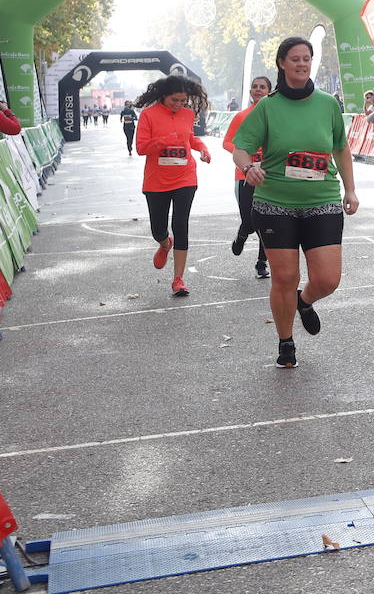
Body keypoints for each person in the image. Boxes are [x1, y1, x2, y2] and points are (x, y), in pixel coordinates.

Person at [232, 36, 358, 369]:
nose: (302, 64)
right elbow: (240, 147)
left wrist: (351, 189)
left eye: (307, 58)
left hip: (322, 200)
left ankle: (305, 301)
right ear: (282, 64)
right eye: (295, 59)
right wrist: (248, 168)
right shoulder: (267, 107)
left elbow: (341, 148)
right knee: (284, 278)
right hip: (276, 203)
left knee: (328, 279)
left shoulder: (328, 104)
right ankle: (285, 342)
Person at [135, 75, 211, 297]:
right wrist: (160, 141)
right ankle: (164, 243)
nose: (179, 105)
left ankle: (179, 279)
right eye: (174, 100)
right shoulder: (148, 115)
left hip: (185, 177)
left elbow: (190, 138)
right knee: (158, 228)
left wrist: (203, 148)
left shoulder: (188, 114)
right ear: (163, 96)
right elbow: (140, 148)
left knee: (181, 224)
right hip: (156, 181)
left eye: (183, 100)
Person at [223, 75, 274, 279]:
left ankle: (262, 262)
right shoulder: (242, 116)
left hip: (269, 175)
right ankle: (243, 232)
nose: (258, 90)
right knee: (249, 219)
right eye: (254, 87)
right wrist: (245, 155)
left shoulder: (275, 115)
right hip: (244, 173)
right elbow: (227, 142)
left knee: (267, 220)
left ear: (270, 91)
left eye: (262, 87)